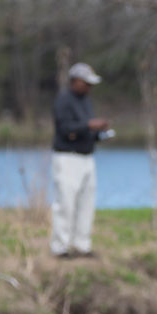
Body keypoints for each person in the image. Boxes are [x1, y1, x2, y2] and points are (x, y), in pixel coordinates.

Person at [50, 62, 111, 259]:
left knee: (86, 203)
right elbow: (66, 129)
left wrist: (98, 133)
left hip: (87, 158)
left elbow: (85, 129)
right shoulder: (63, 101)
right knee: (66, 203)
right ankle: (60, 248)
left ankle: (81, 245)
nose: (89, 87)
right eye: (86, 83)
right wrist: (89, 125)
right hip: (68, 158)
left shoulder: (86, 101)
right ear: (75, 81)